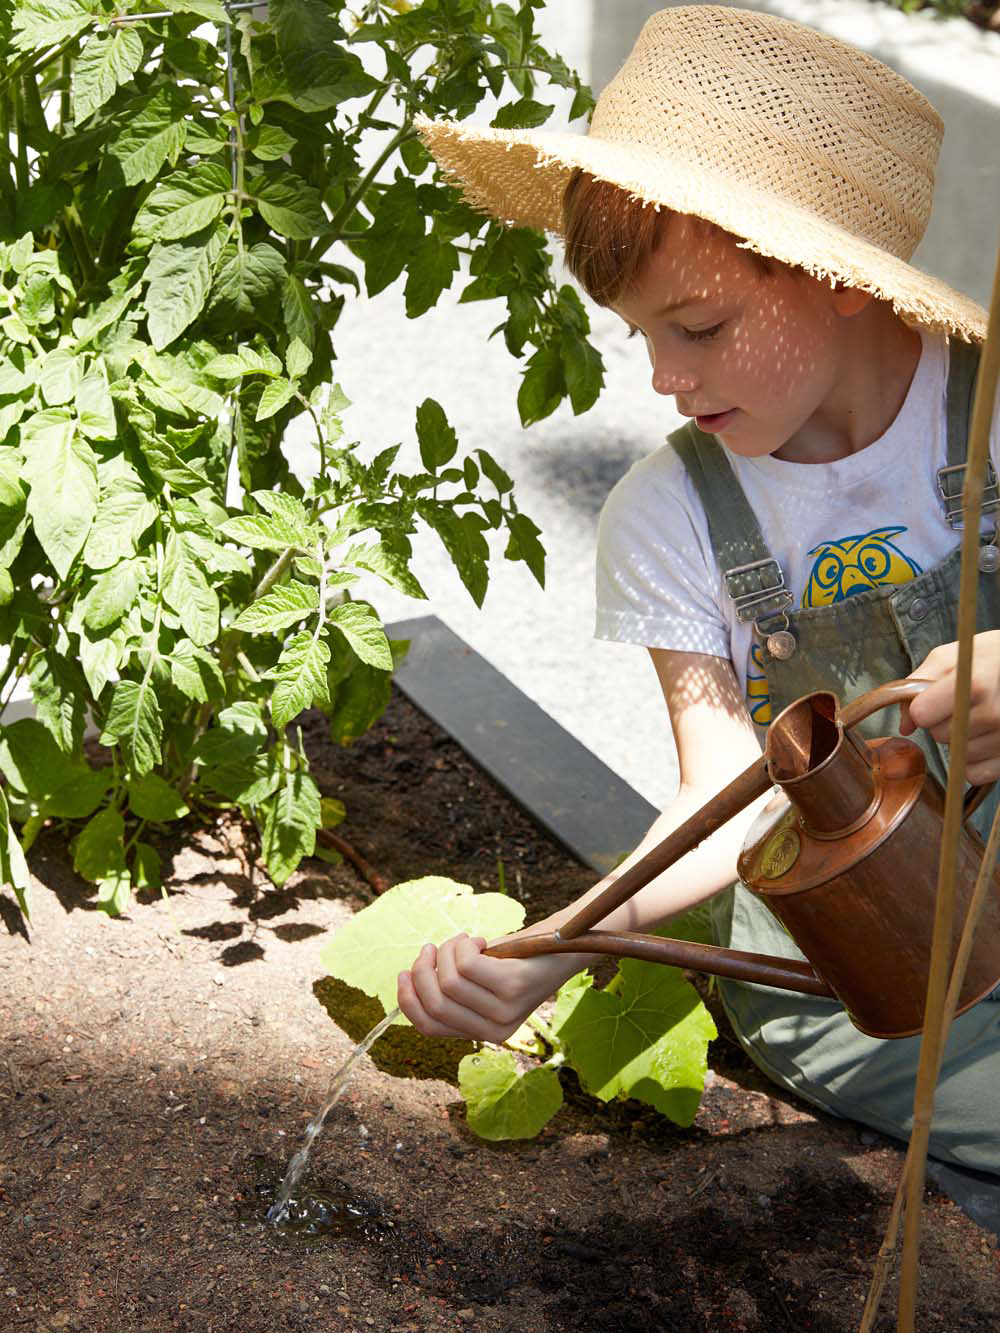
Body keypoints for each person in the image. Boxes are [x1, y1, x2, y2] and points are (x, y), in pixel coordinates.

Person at [397, 5, 1000, 1171]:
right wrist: (565, 942)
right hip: (860, 979)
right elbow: (725, 793)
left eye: (702, 326)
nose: (668, 380)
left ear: (837, 279)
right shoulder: (672, 514)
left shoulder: (987, 409)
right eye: (639, 340)